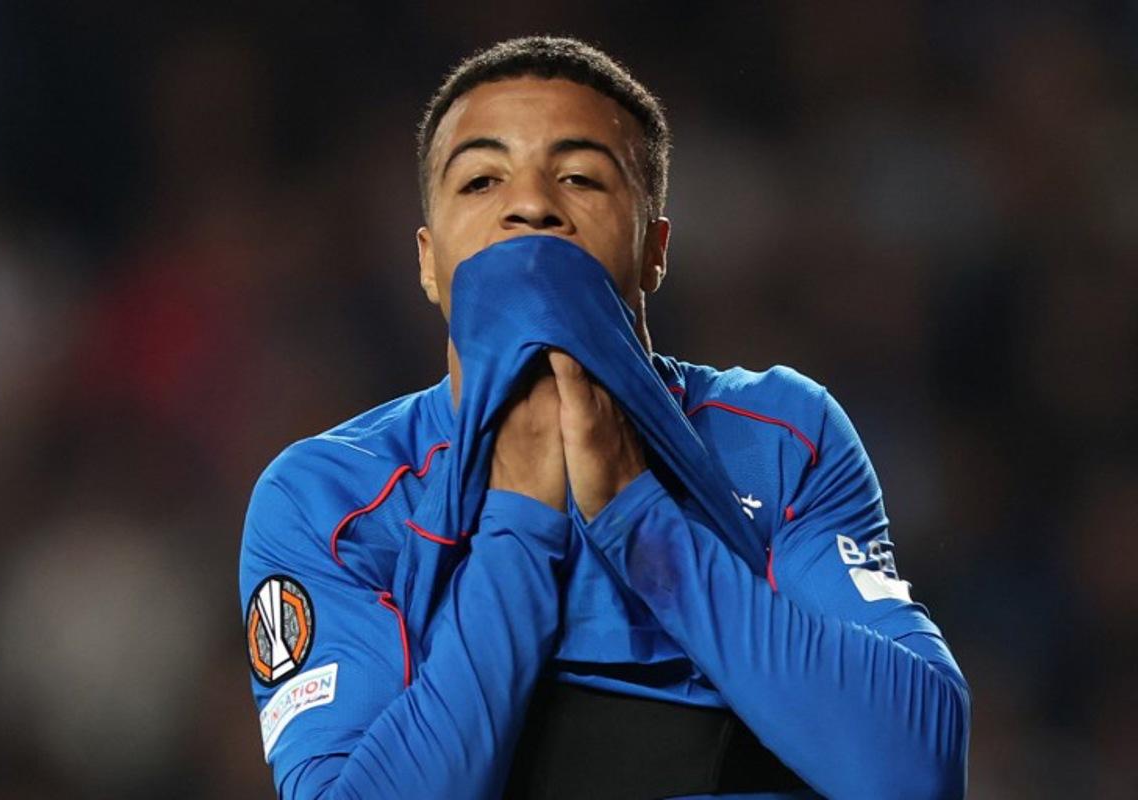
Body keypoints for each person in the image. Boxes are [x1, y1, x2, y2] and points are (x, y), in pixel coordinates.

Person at [239, 36, 970, 800]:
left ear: (655, 248)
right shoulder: (330, 498)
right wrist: (520, 524)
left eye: (581, 177)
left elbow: (916, 772)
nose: (531, 205)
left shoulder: (779, 437)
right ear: (427, 260)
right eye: (482, 180)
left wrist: (638, 516)